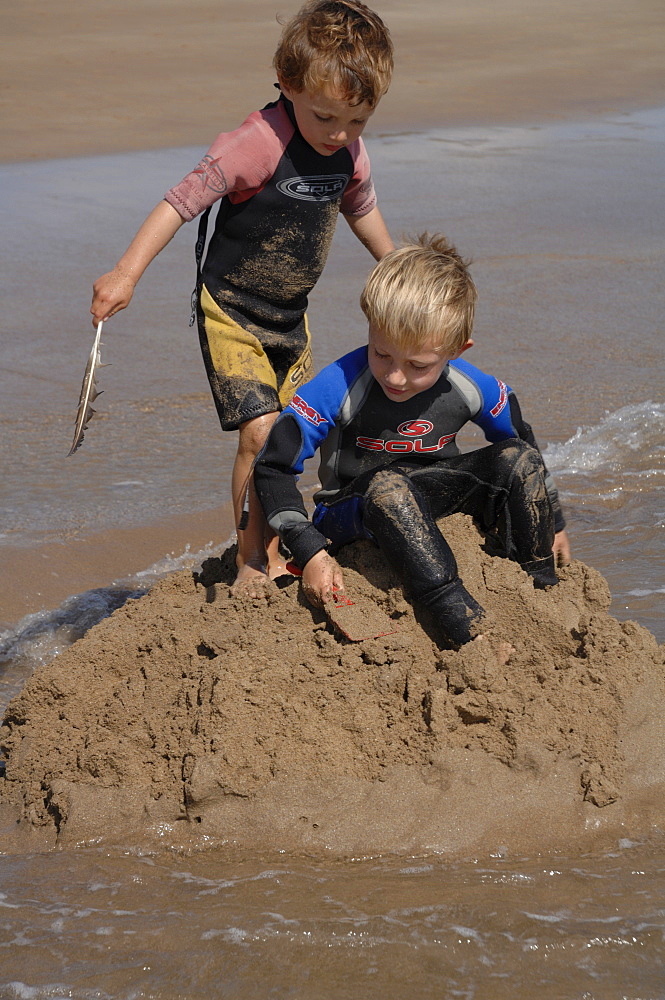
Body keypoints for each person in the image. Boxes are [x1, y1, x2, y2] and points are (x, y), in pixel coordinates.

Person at [90, 0, 395, 595]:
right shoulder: (253, 144)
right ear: (287, 82)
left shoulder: (349, 153)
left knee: (298, 434)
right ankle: (251, 558)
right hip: (231, 312)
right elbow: (179, 204)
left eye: (357, 122)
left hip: (291, 319)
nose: (340, 135)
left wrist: (402, 269)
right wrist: (125, 273)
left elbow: (362, 211)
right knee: (258, 431)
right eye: (326, 117)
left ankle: (287, 542)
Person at [254, 234, 571, 648]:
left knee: (519, 458)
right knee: (389, 488)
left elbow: (522, 449)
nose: (396, 377)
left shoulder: (476, 388)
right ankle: (465, 629)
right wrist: (311, 551)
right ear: (370, 324)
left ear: (457, 349)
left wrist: (554, 523)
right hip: (351, 509)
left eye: (417, 365)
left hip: (431, 493)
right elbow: (273, 468)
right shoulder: (335, 387)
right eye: (381, 354)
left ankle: (539, 592)